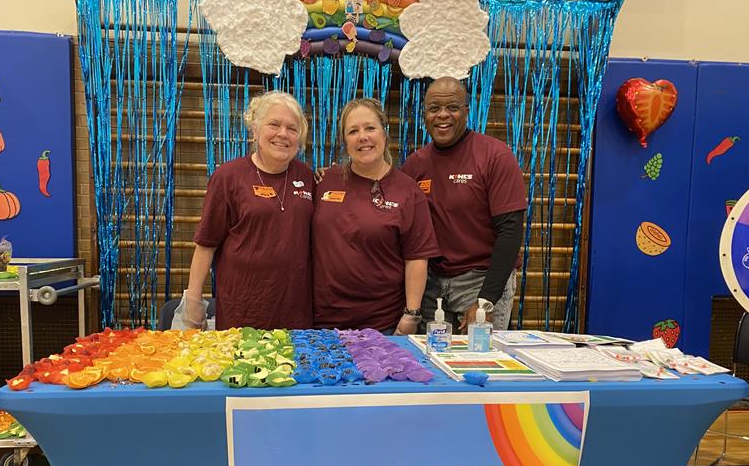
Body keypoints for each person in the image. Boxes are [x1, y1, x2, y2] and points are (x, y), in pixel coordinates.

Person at [401, 76, 527, 332]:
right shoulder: (415, 165)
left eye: (453, 107)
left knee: (479, 363)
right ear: (425, 114)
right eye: (434, 108)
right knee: (433, 361)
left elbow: (510, 232)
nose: (443, 115)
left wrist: (486, 301)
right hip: (431, 285)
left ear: (467, 111)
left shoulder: (495, 155)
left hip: (480, 282)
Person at [184, 91, 315, 330]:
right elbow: (206, 243)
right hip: (242, 312)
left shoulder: (307, 176)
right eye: (273, 124)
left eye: (292, 128)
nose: (283, 134)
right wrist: (193, 300)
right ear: (255, 130)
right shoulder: (228, 177)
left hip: (296, 314)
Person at [313, 97, 440, 335]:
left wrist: (411, 315)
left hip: (384, 325)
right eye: (353, 131)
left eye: (370, 128)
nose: (363, 137)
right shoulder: (324, 181)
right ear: (345, 141)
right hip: (323, 323)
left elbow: (417, 258)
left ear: (384, 133)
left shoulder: (408, 191)